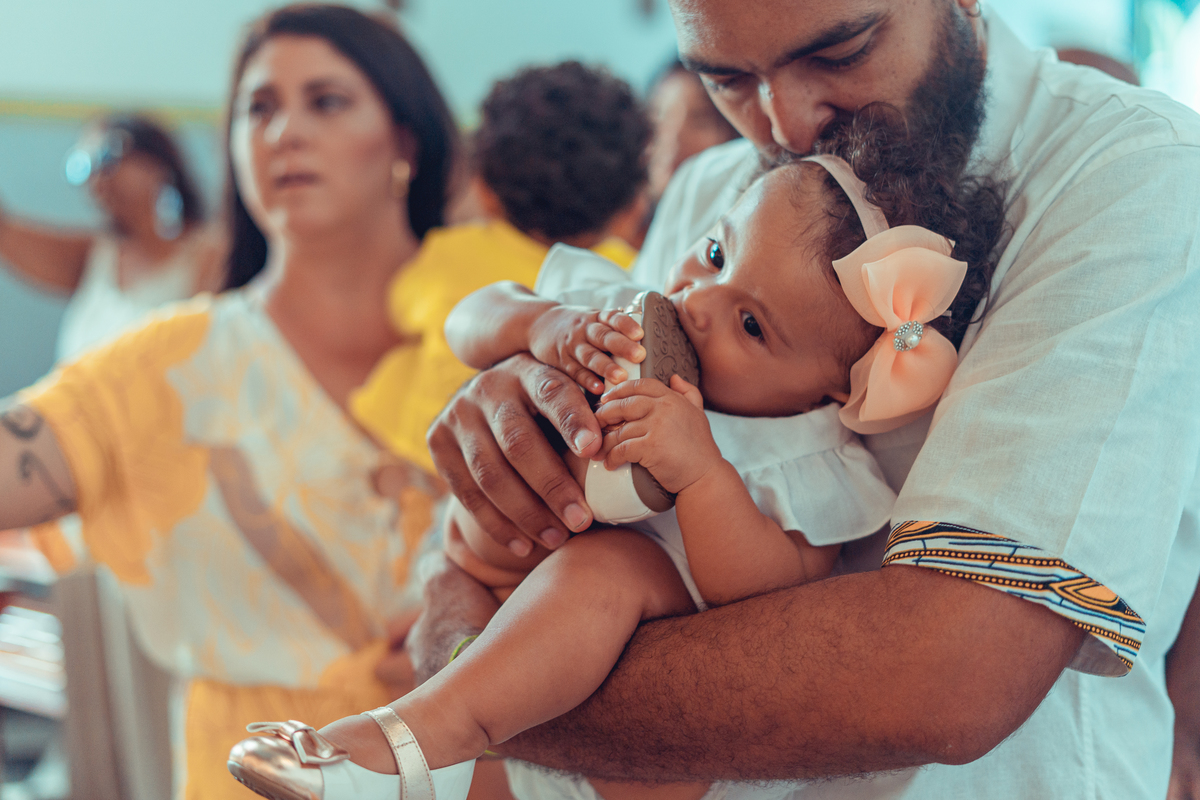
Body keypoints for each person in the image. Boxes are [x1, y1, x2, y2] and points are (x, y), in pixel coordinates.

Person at [410, 1, 1200, 798]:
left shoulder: (1128, 171)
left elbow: (943, 676)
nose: (784, 125)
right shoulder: (713, 188)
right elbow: (560, 517)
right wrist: (516, 457)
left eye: (843, 50)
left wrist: (484, 694)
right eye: (725, 76)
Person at [230, 117, 993, 796]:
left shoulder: (808, 456)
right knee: (491, 539)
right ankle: (445, 727)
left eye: (752, 325)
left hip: (622, 700)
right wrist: (544, 324)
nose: (699, 300)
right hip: (498, 609)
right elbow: (472, 319)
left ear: (834, 389)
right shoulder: (616, 308)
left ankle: (418, 739)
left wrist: (702, 476)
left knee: (612, 568)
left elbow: (772, 588)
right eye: (717, 251)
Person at [0, 5, 459, 798]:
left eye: (325, 101)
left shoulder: (492, 329)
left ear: (405, 141)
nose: (284, 131)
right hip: (247, 772)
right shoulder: (173, 362)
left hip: (466, 769)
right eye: (259, 107)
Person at [351, 61, 651, 477]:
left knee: (401, 365)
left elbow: (400, 306)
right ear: (629, 210)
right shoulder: (630, 275)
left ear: (485, 190)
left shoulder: (454, 251)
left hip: (418, 449)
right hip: (546, 468)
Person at [0, 114, 224, 361]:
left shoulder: (207, 254)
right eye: (82, 167)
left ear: (157, 162)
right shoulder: (96, 256)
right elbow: (6, 234)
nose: (95, 178)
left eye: (106, 157)